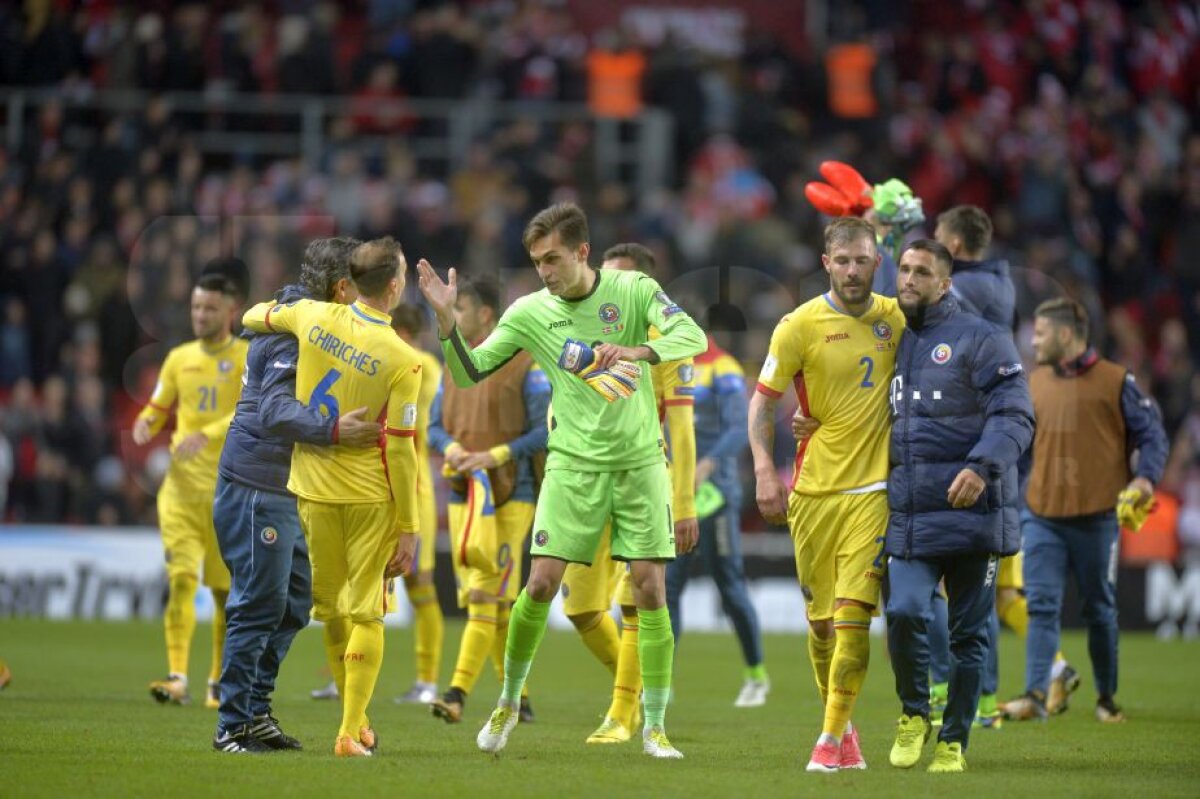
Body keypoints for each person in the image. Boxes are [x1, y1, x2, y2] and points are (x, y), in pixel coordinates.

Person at [417, 203, 706, 758]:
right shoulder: (529, 312)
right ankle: (505, 704)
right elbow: (468, 371)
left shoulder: (634, 290)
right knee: (542, 583)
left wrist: (639, 350)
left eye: (552, 259)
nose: (544, 271)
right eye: (536, 261)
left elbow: (689, 333)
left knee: (649, 586)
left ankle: (655, 727)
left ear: (581, 251)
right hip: (571, 464)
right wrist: (447, 321)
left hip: (640, 461)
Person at [240, 237, 422, 757]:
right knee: (367, 613)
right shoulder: (405, 360)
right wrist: (409, 526)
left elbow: (254, 315)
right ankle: (347, 731)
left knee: (333, 608)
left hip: (312, 489)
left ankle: (357, 721)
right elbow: (403, 453)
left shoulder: (311, 316)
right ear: (394, 285)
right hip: (368, 496)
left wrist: (275, 315)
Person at [211, 241, 381, 753]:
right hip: (257, 484)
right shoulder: (288, 332)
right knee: (259, 603)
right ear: (341, 287)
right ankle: (232, 723)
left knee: (294, 603)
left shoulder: (311, 324)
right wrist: (332, 432)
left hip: (289, 486)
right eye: (360, 283)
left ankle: (256, 710)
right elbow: (274, 410)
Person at [749, 216, 905, 773]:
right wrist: (765, 469)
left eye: (863, 260)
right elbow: (762, 402)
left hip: (874, 490)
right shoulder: (798, 325)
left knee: (852, 620)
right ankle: (845, 730)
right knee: (819, 627)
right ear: (826, 264)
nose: (853, 271)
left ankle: (827, 738)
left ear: (877, 262)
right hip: (812, 492)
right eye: (843, 261)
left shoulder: (897, 318)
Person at [883, 240, 1034, 774]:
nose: (908, 280)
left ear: (944, 283)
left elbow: (1015, 415)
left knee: (971, 636)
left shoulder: (984, 338)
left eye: (921, 272)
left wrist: (980, 465)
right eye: (902, 269)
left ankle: (953, 741)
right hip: (912, 515)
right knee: (902, 612)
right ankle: (913, 712)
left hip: (976, 516)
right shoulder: (892, 339)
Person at [1002, 298, 1167, 724]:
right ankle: (1036, 695)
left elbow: (1152, 435)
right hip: (1041, 517)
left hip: (1098, 519)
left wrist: (1145, 478)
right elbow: (1019, 451)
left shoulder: (1116, 382)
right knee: (1040, 605)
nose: (1032, 341)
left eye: (1039, 333)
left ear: (1064, 335)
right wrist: (1017, 497)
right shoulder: (1033, 384)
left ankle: (1106, 698)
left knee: (1099, 610)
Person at [563, 242, 698, 745]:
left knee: (636, 601)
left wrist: (684, 505)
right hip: (582, 478)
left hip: (641, 479)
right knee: (578, 608)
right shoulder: (579, 332)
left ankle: (621, 714)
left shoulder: (666, 343)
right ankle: (637, 690)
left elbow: (682, 429)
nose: (608, 291)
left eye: (621, 281)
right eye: (605, 278)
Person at [428, 275, 549, 725]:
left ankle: (455, 693)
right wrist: (453, 448)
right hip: (464, 492)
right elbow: (433, 425)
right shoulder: (450, 365)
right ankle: (520, 698)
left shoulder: (525, 364)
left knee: (484, 593)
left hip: (510, 494)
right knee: (492, 602)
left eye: (459, 310)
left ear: (486, 316)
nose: (452, 317)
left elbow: (544, 431)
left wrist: (495, 454)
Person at [134, 272, 248, 709]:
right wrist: (147, 421)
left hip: (226, 493)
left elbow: (248, 411)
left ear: (229, 311)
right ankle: (176, 675)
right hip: (180, 491)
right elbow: (159, 406)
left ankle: (217, 681)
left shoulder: (246, 357)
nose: (200, 315)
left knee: (224, 592)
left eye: (209, 308)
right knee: (181, 579)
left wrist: (210, 431)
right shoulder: (178, 358)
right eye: (196, 307)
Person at [669, 330, 767, 707]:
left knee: (729, 586)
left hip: (715, 496)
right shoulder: (669, 365)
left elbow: (738, 427)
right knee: (669, 587)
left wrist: (706, 464)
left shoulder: (722, 368)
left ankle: (756, 675)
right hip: (679, 495)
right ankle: (661, 681)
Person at [390, 304, 447, 706]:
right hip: (380, 486)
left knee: (419, 584)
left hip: (414, 490)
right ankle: (343, 676)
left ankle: (427, 682)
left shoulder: (423, 366)